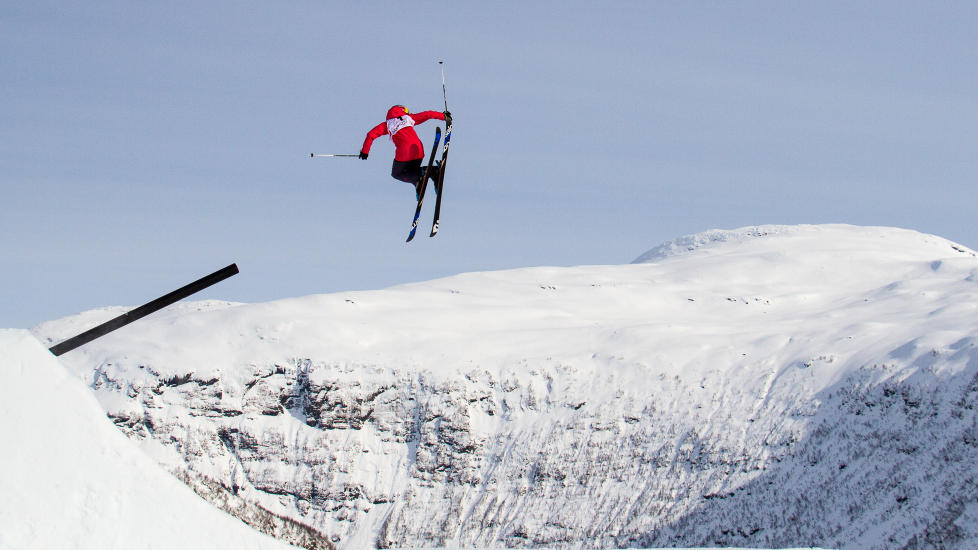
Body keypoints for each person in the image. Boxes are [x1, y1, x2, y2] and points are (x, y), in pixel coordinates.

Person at [360, 105, 452, 195]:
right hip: (418, 150)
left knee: (397, 173)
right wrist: (443, 116)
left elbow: (370, 135)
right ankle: (429, 176)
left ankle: (425, 174)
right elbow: (428, 114)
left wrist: (365, 152)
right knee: (412, 171)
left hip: (405, 153)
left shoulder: (387, 125)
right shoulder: (409, 118)